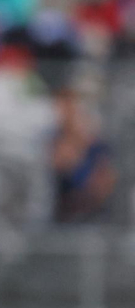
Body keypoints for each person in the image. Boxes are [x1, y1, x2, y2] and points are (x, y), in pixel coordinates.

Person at [50, 88, 117, 223]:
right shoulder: (54, 141)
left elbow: (106, 185)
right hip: (61, 216)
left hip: (92, 217)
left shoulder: (97, 147)